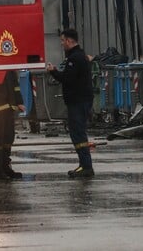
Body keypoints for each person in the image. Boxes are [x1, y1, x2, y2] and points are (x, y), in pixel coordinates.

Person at [46, 28, 95, 178]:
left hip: (78, 102)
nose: (61, 44)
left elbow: (68, 79)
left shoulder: (75, 58)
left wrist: (53, 71)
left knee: (78, 134)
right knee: (78, 133)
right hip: (81, 101)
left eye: (62, 40)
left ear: (69, 40)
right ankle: (84, 165)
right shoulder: (79, 56)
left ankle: (86, 166)